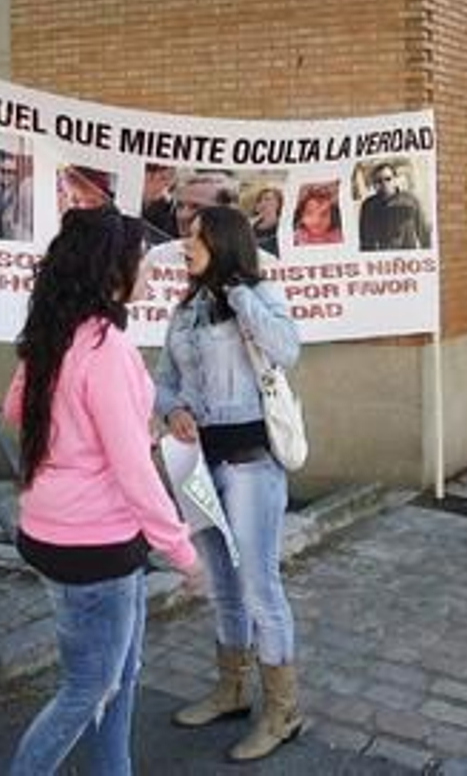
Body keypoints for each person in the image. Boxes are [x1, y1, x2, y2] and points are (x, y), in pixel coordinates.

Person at [3, 207, 200, 774]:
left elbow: (19, 409)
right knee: (90, 686)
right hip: (95, 543)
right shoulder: (104, 349)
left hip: (61, 531)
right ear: (114, 272)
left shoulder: (56, 333)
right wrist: (184, 554)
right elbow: (134, 470)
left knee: (122, 673)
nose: (149, 273)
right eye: (140, 262)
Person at [156, 206, 304, 762]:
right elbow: (162, 380)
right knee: (221, 582)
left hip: (250, 464)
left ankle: (283, 710)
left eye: (194, 238)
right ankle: (232, 689)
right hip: (197, 463)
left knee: (259, 588)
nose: (184, 246)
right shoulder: (186, 308)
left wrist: (240, 293)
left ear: (221, 243)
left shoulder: (260, 294)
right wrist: (171, 410)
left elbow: (288, 350)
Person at [357, 161, 430, 251]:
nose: (384, 184)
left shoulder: (411, 201)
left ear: (395, 180)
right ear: (374, 185)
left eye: (388, 179)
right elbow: (364, 240)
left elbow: (425, 234)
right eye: (379, 181)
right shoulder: (368, 205)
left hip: (406, 257)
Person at [251, 187, 284, 257]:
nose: (263, 203)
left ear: (278, 204)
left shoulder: (285, 227)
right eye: (259, 200)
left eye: (267, 199)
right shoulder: (249, 229)